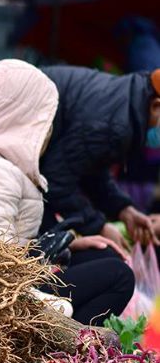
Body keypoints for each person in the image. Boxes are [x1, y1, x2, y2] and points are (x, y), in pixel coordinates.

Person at [0, 59, 134, 325]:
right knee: (118, 276)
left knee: (100, 256)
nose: (49, 131)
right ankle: (65, 349)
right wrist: (50, 303)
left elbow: (2, 242)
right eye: (45, 120)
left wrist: (64, 246)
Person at [39, 66, 160, 247]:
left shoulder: (127, 104)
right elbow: (56, 180)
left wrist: (124, 210)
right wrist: (98, 226)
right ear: (156, 105)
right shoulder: (115, 124)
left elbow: (91, 168)